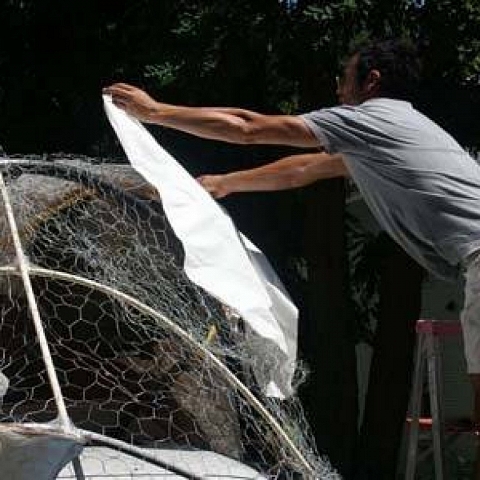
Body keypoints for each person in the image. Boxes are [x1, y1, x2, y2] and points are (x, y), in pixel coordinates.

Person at [105, 38, 480, 478]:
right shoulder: (399, 131)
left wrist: (156, 113)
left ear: (371, 81)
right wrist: (225, 184)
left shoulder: (371, 119)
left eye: (345, 79)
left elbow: (249, 127)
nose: (339, 90)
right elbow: (305, 169)